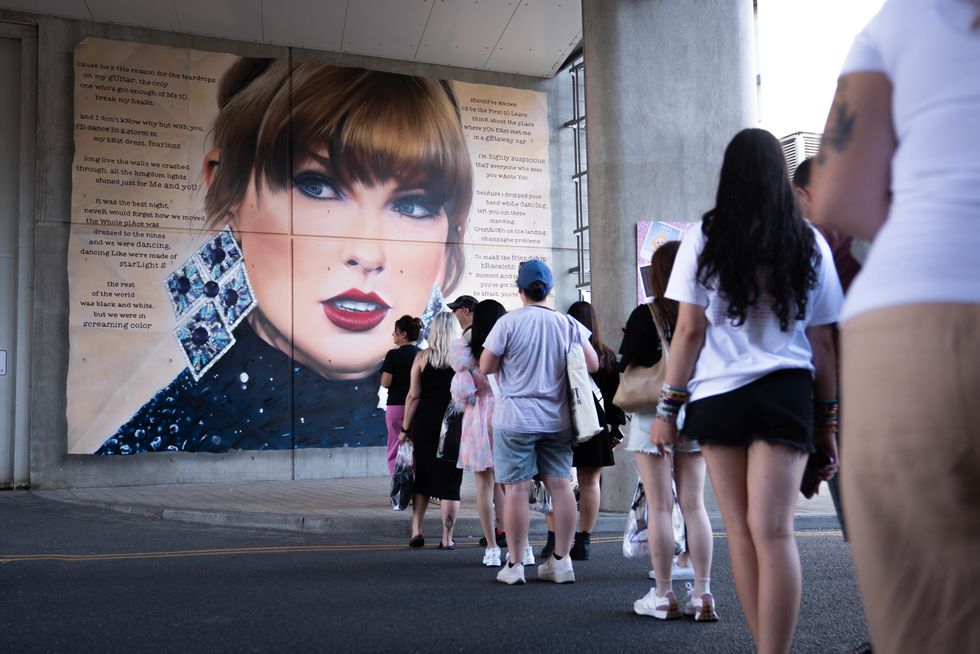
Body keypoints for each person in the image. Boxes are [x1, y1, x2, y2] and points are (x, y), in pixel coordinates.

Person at [98, 60, 472, 454]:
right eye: (317, 185)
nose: (367, 253)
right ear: (224, 186)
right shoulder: (159, 442)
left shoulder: (451, 415)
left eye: (413, 205)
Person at [810, 2, 980, 651]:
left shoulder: (902, 20)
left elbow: (840, 196)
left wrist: (930, 220)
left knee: (929, 621)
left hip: (911, 320)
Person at [651, 128, 842, 653]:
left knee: (739, 530)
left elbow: (689, 331)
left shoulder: (704, 237)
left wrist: (668, 408)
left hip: (717, 399)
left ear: (728, 175)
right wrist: (828, 425)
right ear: (781, 177)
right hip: (785, 392)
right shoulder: (809, 243)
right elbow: (824, 343)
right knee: (776, 533)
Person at [480, 260, 599, 585]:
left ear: (520, 290)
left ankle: (516, 565)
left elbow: (486, 365)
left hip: (515, 419)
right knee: (561, 486)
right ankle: (561, 561)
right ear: (549, 290)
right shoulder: (567, 323)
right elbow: (593, 363)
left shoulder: (508, 323)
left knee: (516, 489)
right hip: (558, 420)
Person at [626, 240, 716, 622]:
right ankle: (703, 592)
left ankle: (663, 595)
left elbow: (624, 361)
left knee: (661, 505)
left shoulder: (647, 314)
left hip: (653, 414)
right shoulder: (706, 312)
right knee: (695, 505)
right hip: (695, 411)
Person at [793, 156, 860, 537]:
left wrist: (823, 423)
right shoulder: (874, 234)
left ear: (803, 195)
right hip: (899, 374)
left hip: (835, 382)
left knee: (857, 504)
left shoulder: (809, 244)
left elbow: (816, 335)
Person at [563, 300, 625, 561]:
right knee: (590, 482)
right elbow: (614, 396)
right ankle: (584, 539)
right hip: (595, 423)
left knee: (560, 481)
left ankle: (558, 539)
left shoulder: (562, 351)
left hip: (563, 421)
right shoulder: (606, 355)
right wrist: (615, 428)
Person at [399, 311, 463, 549]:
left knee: (423, 477)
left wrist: (405, 428)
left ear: (434, 331)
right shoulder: (462, 359)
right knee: (450, 483)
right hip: (454, 426)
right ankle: (447, 538)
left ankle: (416, 530)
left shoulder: (422, 358)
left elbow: (413, 396)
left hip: (426, 423)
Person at [450, 299, 507, 566]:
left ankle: (492, 550)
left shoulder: (467, 351)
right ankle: (524, 546)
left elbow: (462, 392)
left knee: (484, 486)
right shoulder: (507, 345)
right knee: (512, 485)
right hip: (507, 414)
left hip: (479, 416)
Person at [380, 316, 423, 475]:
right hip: (418, 407)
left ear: (403, 334)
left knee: (395, 446)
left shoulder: (393, 355)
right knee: (416, 447)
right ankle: (418, 490)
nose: (393, 335)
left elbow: (385, 382)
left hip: (397, 407)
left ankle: (400, 491)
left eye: (395, 332)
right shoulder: (422, 354)